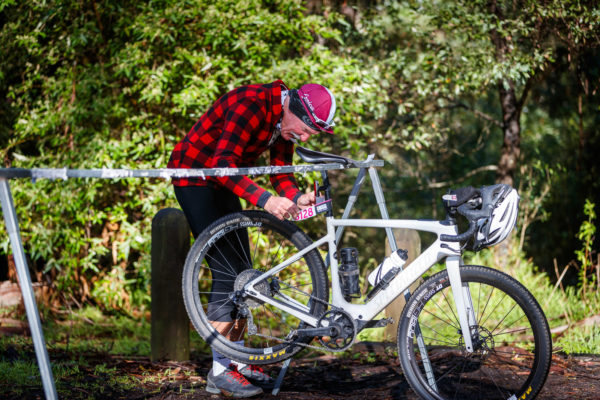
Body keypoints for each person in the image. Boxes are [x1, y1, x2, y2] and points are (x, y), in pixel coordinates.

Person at [168, 80, 336, 397]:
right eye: (304, 129)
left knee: (243, 274)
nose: (303, 137)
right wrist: (266, 200)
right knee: (225, 272)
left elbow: (280, 171)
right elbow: (221, 164)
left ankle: (238, 360)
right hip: (194, 175)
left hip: (224, 179)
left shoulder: (283, 121)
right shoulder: (251, 104)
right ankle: (220, 372)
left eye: (310, 134)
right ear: (293, 107)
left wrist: (296, 197)